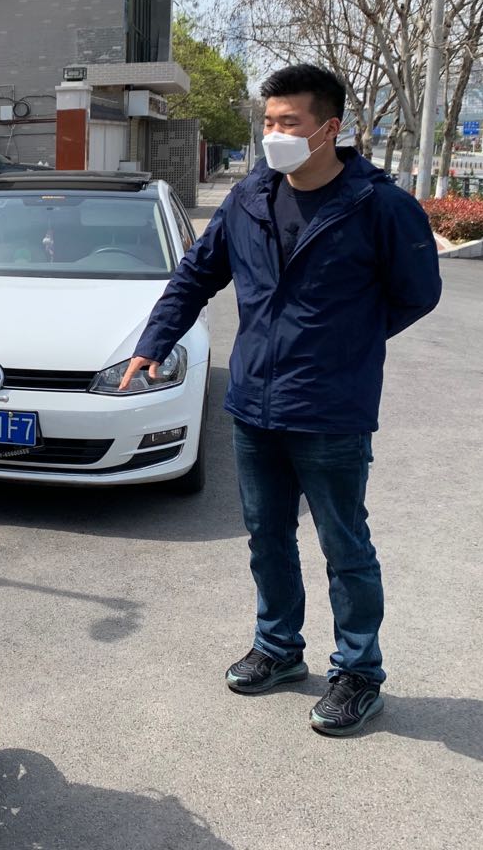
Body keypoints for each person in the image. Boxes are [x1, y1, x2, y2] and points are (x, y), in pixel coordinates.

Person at [121, 64, 441, 736]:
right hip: (253, 404)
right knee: (267, 536)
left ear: (329, 128)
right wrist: (154, 341)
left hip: (330, 409)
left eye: (288, 122)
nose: (274, 134)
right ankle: (278, 648)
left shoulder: (378, 205)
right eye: (268, 122)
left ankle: (359, 673)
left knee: (344, 545)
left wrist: (348, 342)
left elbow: (418, 293)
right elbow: (196, 275)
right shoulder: (250, 198)